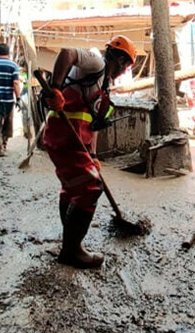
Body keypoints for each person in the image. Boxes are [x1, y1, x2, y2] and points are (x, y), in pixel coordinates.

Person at [42, 35, 135, 269]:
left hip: (71, 138)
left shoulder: (103, 85)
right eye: (126, 66)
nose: (124, 72)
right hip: (65, 134)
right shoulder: (96, 62)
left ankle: (68, 242)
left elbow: (94, 124)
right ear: (121, 60)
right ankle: (72, 251)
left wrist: (93, 156)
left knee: (72, 188)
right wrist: (55, 89)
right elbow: (67, 52)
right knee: (92, 188)